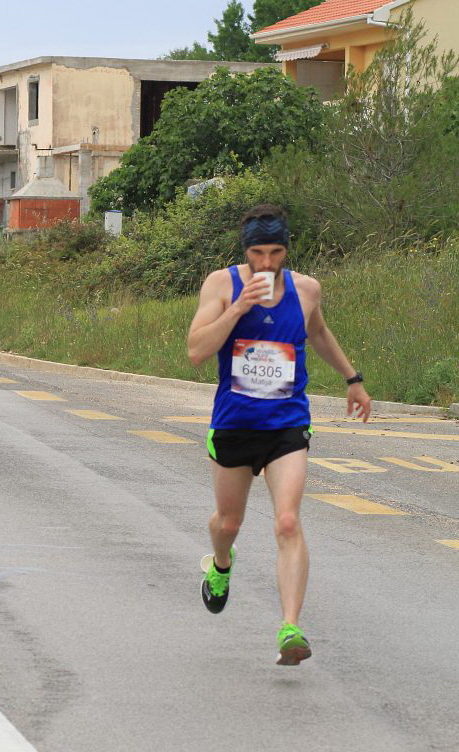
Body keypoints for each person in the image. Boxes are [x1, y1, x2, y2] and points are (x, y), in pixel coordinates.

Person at [187, 204, 372, 666]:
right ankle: (221, 564)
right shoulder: (221, 284)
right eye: (257, 253)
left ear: (287, 250)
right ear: (244, 251)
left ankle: (290, 627)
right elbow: (196, 351)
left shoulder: (306, 289)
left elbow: (319, 332)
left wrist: (352, 379)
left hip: (287, 424)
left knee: (287, 522)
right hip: (234, 424)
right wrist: (239, 307)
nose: (266, 263)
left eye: (275, 252)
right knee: (228, 524)